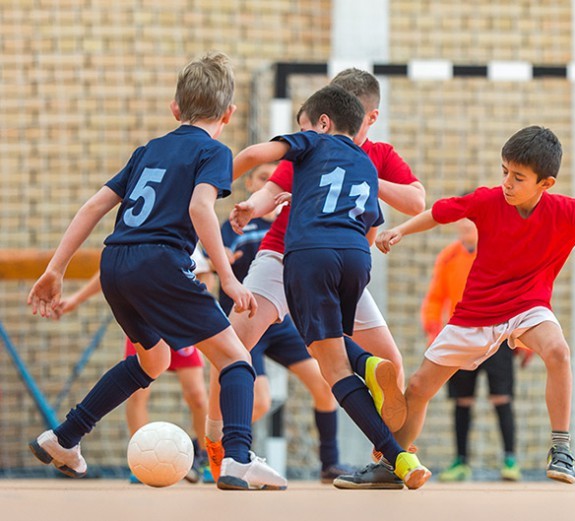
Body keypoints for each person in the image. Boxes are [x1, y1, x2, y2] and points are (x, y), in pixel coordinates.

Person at [26, 52, 286, 490]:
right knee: (235, 358)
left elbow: (94, 206)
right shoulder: (214, 151)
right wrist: (227, 276)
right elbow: (200, 207)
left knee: (153, 359)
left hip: (116, 263)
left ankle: (65, 437)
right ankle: (238, 459)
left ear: (175, 108)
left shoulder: (148, 150)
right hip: (160, 263)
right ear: (229, 113)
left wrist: (56, 268)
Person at [356, 125, 575, 487]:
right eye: (504, 171)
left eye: (518, 177)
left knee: (558, 351)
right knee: (418, 387)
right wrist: (400, 230)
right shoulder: (488, 201)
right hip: (476, 313)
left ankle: (561, 448)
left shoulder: (565, 212)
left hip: (527, 307)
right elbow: (439, 213)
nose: (507, 183)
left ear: (546, 183)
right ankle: (392, 463)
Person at [205, 68, 426, 484]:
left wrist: (364, 175)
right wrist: (253, 206)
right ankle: (217, 438)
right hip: (287, 255)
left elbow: (417, 200)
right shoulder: (311, 144)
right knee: (233, 345)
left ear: (369, 118)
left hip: (319, 259)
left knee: (390, 363)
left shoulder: (372, 154)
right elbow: (272, 188)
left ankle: (387, 460)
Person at [211, 161, 355, 483]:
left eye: (273, 176)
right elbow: (212, 263)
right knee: (259, 401)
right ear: (252, 185)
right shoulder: (235, 226)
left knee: (324, 383)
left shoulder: (295, 222)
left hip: (281, 323)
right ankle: (213, 450)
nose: (270, 182)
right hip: (248, 319)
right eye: (263, 177)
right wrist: (218, 265)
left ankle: (329, 463)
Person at [57, 247, 215, 484]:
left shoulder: (185, 238)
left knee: (198, 396)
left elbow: (206, 276)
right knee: (138, 392)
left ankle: (207, 458)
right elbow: (108, 271)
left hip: (179, 321)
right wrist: (77, 298)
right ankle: (141, 459)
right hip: (145, 322)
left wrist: (194, 308)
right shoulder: (135, 240)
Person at [421, 217, 527, 482]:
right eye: (462, 223)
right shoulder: (448, 257)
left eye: (472, 222)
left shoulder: (500, 254)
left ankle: (510, 460)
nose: (466, 227)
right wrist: (433, 330)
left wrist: (524, 339)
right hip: (461, 334)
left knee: (501, 397)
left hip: (497, 334)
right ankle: (461, 462)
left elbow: (522, 295)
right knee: (462, 400)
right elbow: (435, 297)